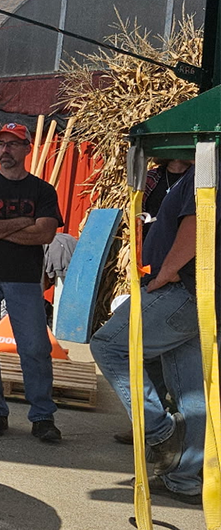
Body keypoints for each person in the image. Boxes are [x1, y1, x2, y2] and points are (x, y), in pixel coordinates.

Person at [89, 161, 204, 501]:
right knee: (192, 394)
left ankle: (159, 430)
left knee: (109, 346)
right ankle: (183, 479)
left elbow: (196, 224)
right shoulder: (196, 171)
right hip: (196, 294)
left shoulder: (208, 167)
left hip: (181, 290)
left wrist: (167, 272)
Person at [0, 122, 64, 443]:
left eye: (12, 144)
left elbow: (46, 232)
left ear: (26, 149)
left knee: (35, 347)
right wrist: (22, 223)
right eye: (0, 144)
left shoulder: (42, 191)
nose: (5, 150)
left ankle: (42, 416)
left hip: (23, 280)